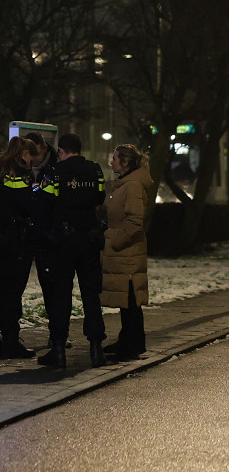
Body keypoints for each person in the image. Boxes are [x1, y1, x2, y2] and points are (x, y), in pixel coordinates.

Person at [38, 133, 107, 369]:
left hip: (63, 242)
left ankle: (58, 349)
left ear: (61, 150)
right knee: (91, 295)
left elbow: (43, 202)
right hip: (89, 239)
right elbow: (99, 196)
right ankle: (96, 349)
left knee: (61, 296)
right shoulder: (95, 169)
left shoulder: (55, 172)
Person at [0, 136, 40, 358]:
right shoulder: (18, 173)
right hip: (12, 240)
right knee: (12, 292)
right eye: (31, 159)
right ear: (24, 154)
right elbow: (27, 204)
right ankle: (11, 342)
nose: (31, 164)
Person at [101, 144, 153, 360]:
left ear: (126, 162)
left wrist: (114, 240)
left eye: (115, 158)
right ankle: (130, 340)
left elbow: (134, 221)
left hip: (127, 251)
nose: (111, 162)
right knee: (127, 299)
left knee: (130, 298)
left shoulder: (132, 186)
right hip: (124, 251)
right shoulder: (123, 184)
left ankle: (131, 344)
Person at [22, 131, 59, 350]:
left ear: (43, 148)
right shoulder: (23, 165)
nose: (31, 160)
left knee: (52, 286)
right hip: (28, 233)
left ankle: (56, 335)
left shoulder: (54, 167)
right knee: (16, 285)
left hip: (47, 234)